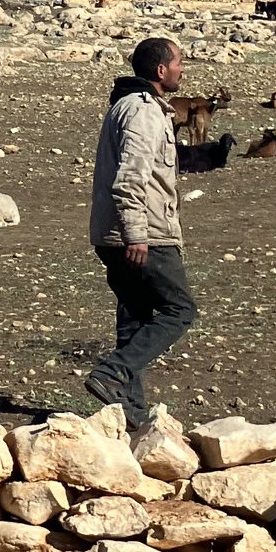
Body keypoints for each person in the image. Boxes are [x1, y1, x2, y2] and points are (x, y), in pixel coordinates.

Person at [85, 35, 198, 429]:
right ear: (160, 70)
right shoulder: (144, 113)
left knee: (135, 316)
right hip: (143, 234)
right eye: (179, 62)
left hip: (111, 233)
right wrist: (137, 233)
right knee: (179, 310)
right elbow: (131, 178)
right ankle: (112, 372)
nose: (183, 68)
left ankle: (129, 415)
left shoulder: (125, 106)